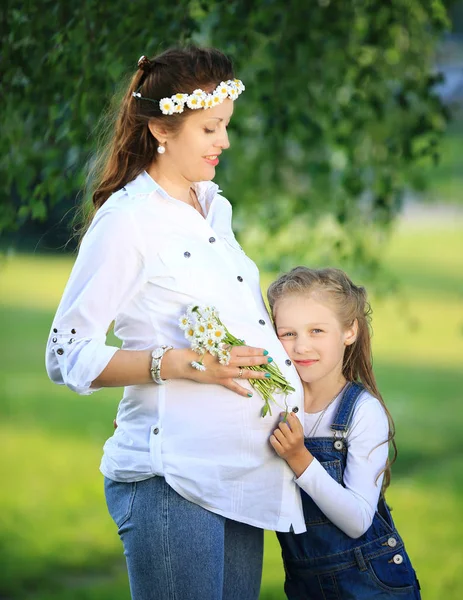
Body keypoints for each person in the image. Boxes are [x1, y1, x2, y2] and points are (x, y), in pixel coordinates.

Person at [45, 46, 306, 600]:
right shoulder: (128, 222)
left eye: (226, 127)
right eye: (211, 128)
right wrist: (181, 364)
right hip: (174, 482)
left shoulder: (215, 210)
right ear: (163, 129)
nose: (225, 142)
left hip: (243, 476)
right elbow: (66, 352)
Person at [266, 266, 421, 599]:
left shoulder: (362, 412)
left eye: (317, 330)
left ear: (349, 331)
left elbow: (358, 520)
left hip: (371, 584)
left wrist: (299, 458)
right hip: (304, 583)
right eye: (288, 333)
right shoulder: (273, 402)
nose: (300, 347)